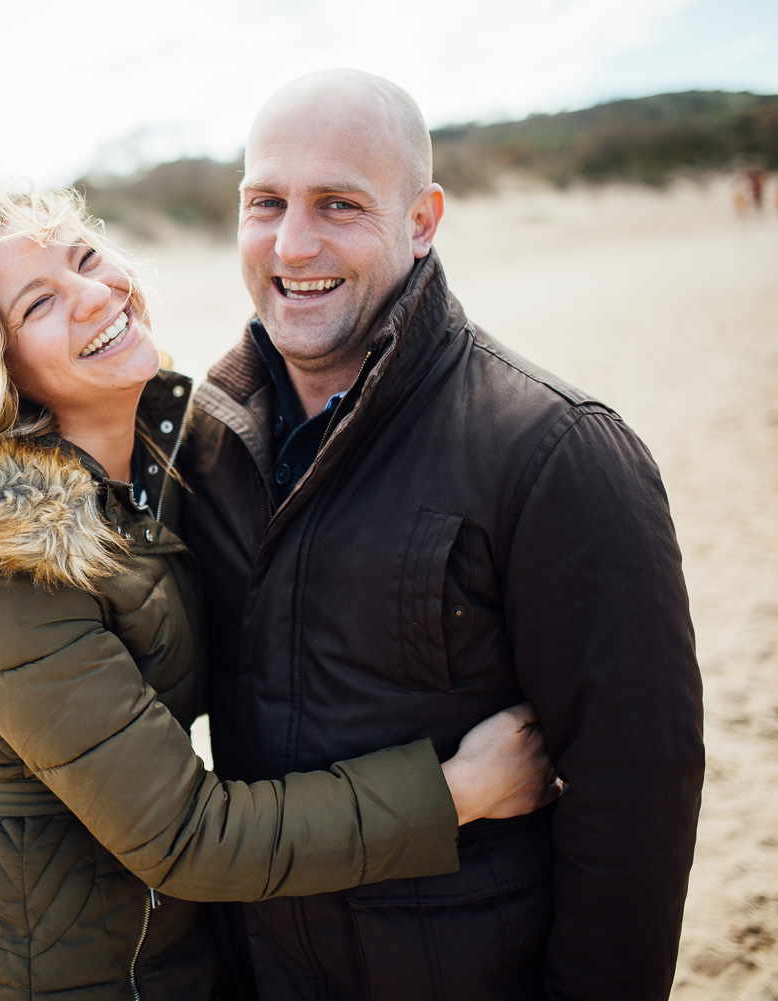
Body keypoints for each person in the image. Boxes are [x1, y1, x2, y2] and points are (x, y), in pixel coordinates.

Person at [0, 182, 560, 999]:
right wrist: (459, 791)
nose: (96, 293)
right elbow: (188, 837)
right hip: (61, 973)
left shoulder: (154, 454)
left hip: (157, 939)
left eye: (85, 257)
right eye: (39, 303)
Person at [181, 69, 705, 1000]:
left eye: (338, 204)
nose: (292, 242)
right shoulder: (204, 447)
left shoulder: (556, 451)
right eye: (265, 202)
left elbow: (637, 797)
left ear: (422, 220)